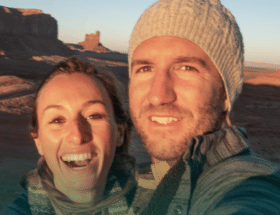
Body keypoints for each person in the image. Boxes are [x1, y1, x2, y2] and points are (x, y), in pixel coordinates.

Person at [127, 0, 280, 214]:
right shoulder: (133, 186)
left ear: (225, 94)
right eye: (145, 69)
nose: (158, 96)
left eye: (186, 68)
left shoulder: (250, 184)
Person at [1, 57, 136, 215]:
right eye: (57, 120)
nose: (77, 136)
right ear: (38, 141)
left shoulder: (156, 205)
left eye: (94, 116)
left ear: (119, 132)